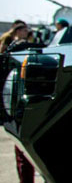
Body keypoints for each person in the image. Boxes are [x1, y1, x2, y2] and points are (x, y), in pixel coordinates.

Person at [0, 20, 35, 183]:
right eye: (24, 30)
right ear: (17, 31)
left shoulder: (11, 49)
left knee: (22, 150)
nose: (26, 32)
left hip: (15, 102)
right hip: (18, 100)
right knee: (23, 151)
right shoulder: (16, 49)